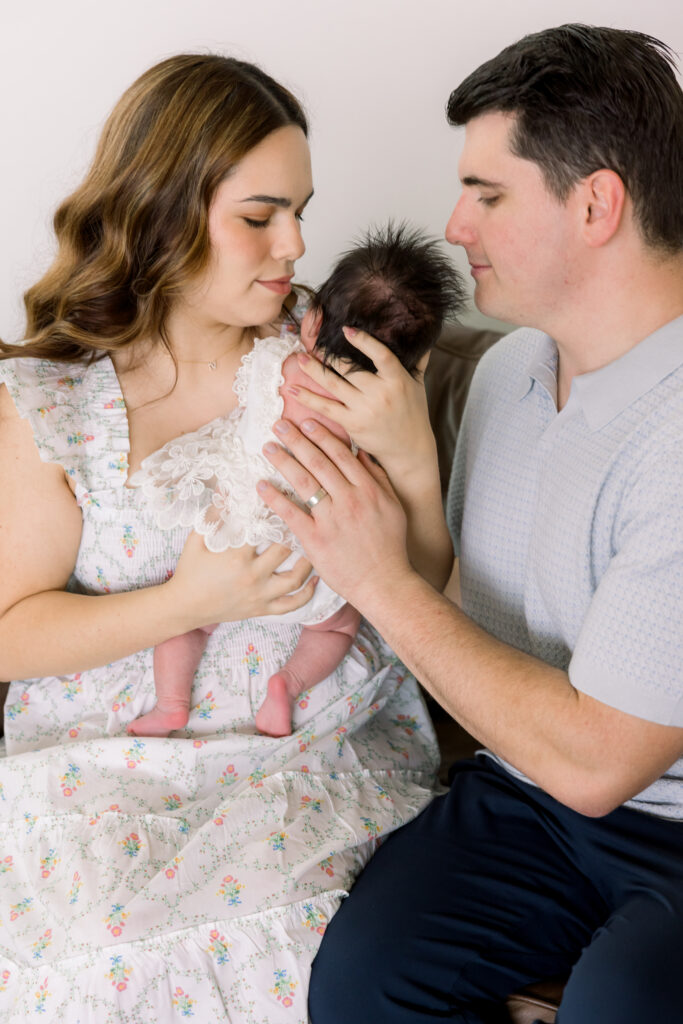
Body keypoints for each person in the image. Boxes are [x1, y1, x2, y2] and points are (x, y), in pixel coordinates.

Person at [0, 55, 445, 1020]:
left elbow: (425, 598)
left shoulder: (326, 363)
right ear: (162, 212)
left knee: (296, 938)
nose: (294, 243)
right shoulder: (57, 403)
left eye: (300, 211)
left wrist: (413, 461)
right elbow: (11, 630)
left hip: (307, 753)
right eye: (259, 215)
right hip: (105, 768)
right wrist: (189, 603)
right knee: (97, 946)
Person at [256, 24, 683, 1023]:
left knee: (620, 1000)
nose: (453, 225)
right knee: (361, 982)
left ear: (594, 203)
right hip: (527, 795)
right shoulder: (503, 373)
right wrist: (403, 472)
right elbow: (468, 623)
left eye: (486, 195)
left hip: (650, 813)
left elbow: (597, 760)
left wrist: (376, 577)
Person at [128, 223, 465, 739]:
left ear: (311, 326)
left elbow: (242, 407)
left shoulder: (273, 360)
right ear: (412, 365)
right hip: (318, 554)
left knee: (187, 620)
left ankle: (171, 703)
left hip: (241, 529)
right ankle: (286, 684)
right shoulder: (373, 414)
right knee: (335, 625)